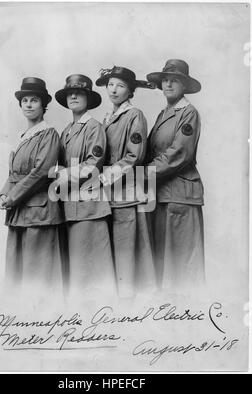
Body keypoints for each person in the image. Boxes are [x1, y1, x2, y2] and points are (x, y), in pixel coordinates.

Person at [95, 66, 157, 298]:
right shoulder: (106, 117)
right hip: (108, 195)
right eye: (111, 84)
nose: (114, 89)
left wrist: (105, 176)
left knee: (127, 252)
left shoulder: (134, 115)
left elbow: (135, 156)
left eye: (120, 85)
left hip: (127, 193)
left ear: (130, 91)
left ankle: (130, 305)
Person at [0, 77, 63, 292]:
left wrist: (12, 196)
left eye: (34, 100)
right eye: (25, 100)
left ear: (43, 105)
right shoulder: (22, 137)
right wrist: (3, 195)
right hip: (18, 211)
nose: (28, 104)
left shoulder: (49, 134)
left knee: (37, 277)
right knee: (16, 274)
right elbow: (14, 174)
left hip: (39, 212)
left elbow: (42, 172)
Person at [54, 74, 116, 298]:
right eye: (70, 93)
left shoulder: (93, 127)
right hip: (71, 206)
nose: (73, 96)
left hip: (89, 207)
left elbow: (93, 164)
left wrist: (64, 175)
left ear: (88, 98)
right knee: (78, 273)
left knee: (94, 272)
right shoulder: (66, 131)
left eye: (79, 93)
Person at [145, 59, 205, 289]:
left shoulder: (188, 113)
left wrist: (142, 174)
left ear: (185, 86)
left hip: (181, 196)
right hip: (161, 194)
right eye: (165, 80)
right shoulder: (164, 114)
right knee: (165, 268)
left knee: (183, 269)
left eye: (174, 80)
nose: (168, 84)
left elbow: (179, 154)